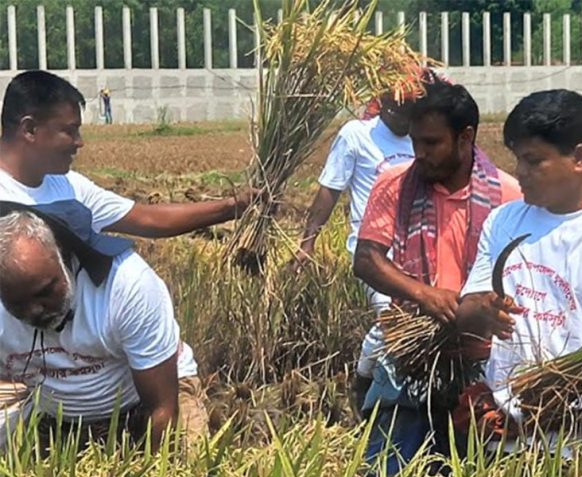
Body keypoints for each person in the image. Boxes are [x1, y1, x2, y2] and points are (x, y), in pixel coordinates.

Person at [454, 89, 582, 467]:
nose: (520, 172)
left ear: (578, 159)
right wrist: (483, 310)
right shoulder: (504, 222)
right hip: (508, 444)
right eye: (518, 159)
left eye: (534, 161)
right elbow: (467, 309)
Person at [353, 80, 522, 477]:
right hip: (409, 358)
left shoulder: (508, 195)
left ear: (466, 138)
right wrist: (423, 295)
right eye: (415, 142)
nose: (420, 154)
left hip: (479, 364)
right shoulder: (394, 183)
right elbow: (366, 259)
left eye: (431, 143)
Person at [0, 202, 207, 452]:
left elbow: (162, 408)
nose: (35, 310)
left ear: (65, 257)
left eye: (45, 291)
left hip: (144, 401)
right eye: (18, 303)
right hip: (58, 412)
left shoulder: (126, 285)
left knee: (192, 467)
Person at [0, 70, 258, 239]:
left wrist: (233, 207)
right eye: (70, 131)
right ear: (30, 129)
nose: (79, 143)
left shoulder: (70, 189)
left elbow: (147, 218)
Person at [289, 93, 415, 414]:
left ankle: (405, 395)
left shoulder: (423, 137)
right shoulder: (356, 135)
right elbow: (329, 190)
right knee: (391, 318)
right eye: (404, 110)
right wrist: (307, 244)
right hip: (372, 250)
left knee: (416, 324)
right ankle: (362, 389)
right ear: (386, 105)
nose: (409, 118)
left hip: (417, 247)